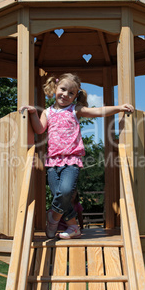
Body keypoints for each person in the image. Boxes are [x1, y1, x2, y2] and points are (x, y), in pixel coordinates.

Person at [19, 73, 134, 240]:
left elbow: (98, 111)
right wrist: (32, 114)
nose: (65, 94)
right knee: (60, 196)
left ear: (75, 96)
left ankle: (52, 219)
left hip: (71, 160)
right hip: (52, 162)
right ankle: (73, 227)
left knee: (65, 192)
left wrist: (119, 108)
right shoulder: (48, 112)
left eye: (71, 93)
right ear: (55, 88)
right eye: (63, 89)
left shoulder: (75, 110)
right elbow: (39, 129)